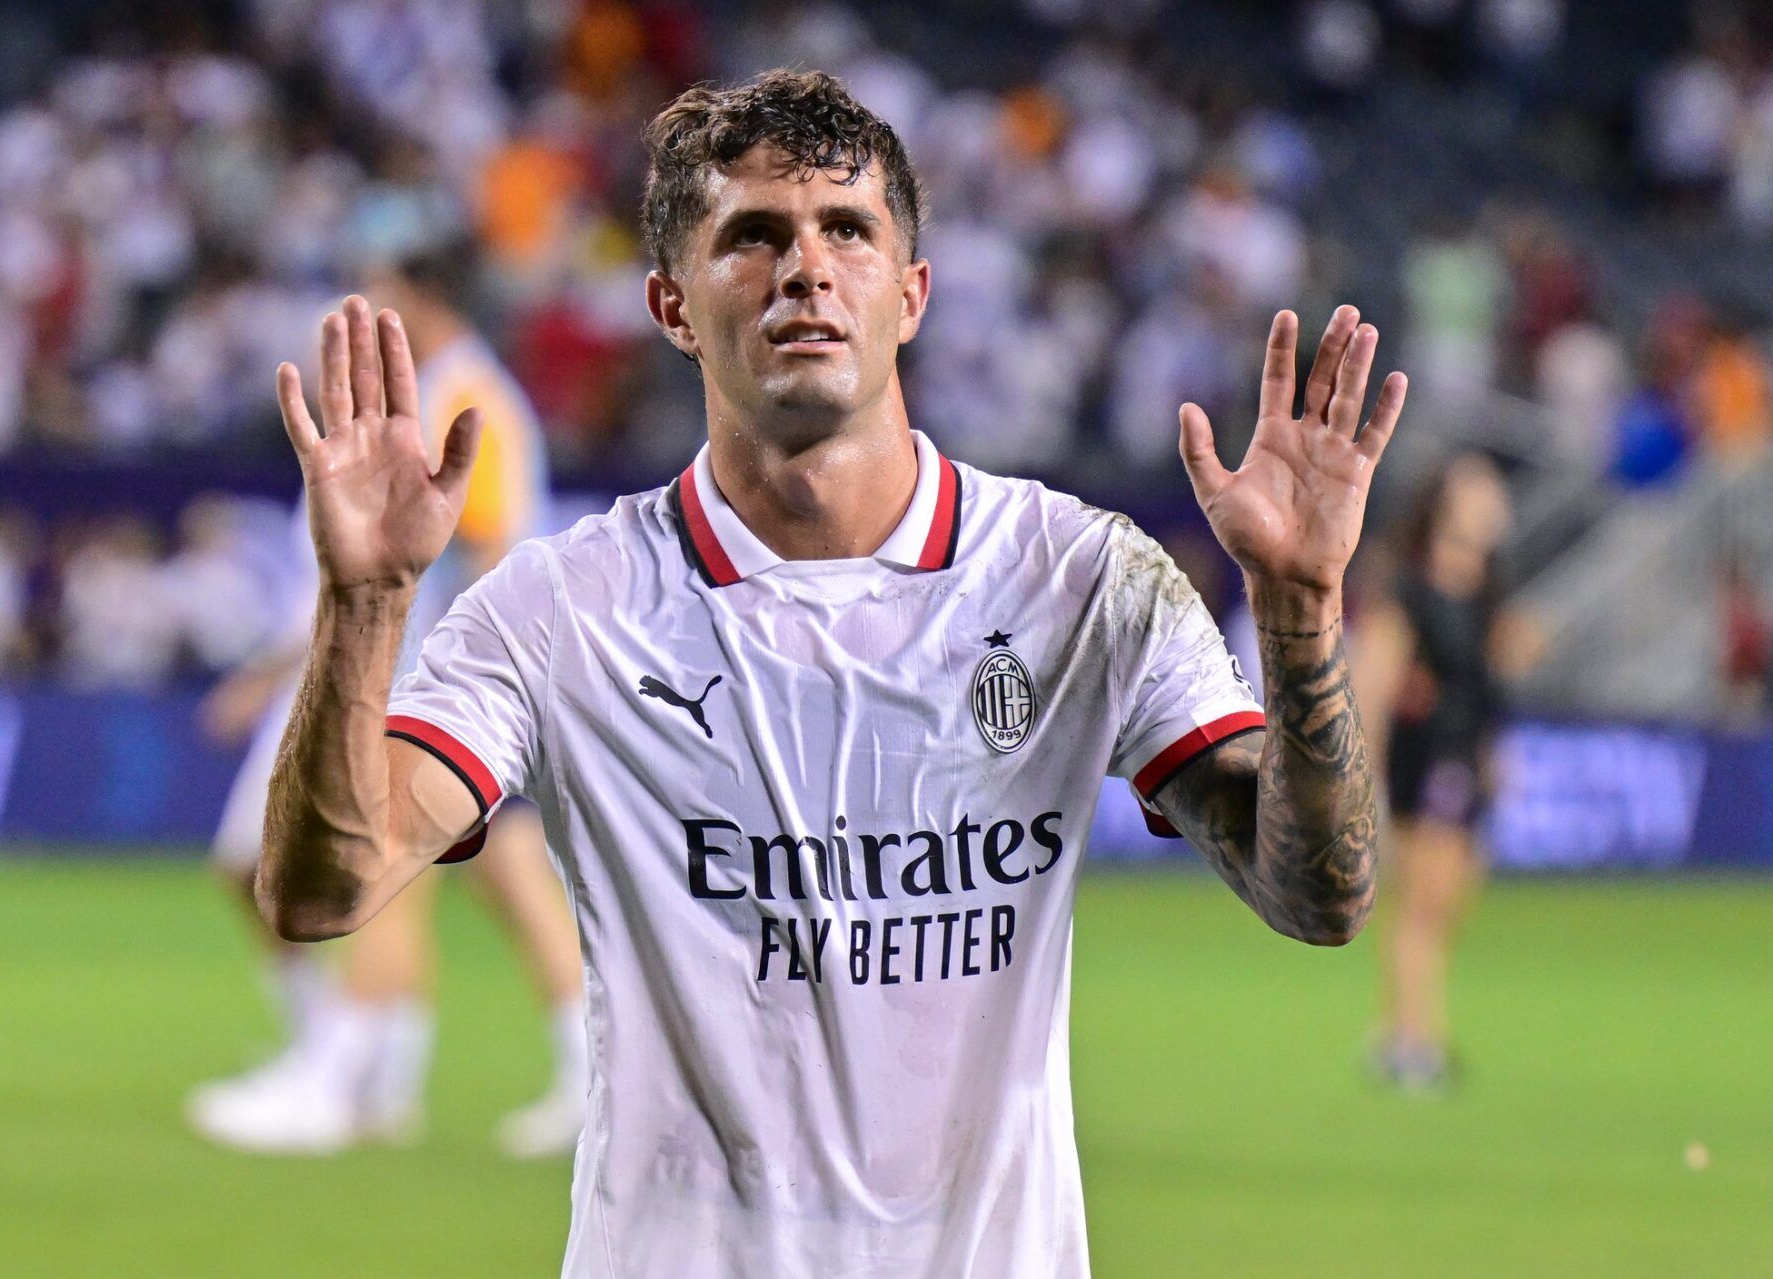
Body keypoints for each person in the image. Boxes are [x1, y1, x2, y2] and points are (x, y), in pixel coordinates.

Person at [257, 71, 1401, 1276]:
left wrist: (1300, 607)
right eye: (752, 236)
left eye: (846, 230)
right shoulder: (562, 610)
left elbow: (1318, 897)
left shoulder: (1080, 582)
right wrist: (367, 603)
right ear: (672, 306)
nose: (806, 266)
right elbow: (321, 892)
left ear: (910, 294)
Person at [186, 240, 586, 1157]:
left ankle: (339, 1078)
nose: (370, 305)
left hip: (420, 672)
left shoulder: (465, 397)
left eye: (390, 293)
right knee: (498, 880)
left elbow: (488, 542)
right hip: (402, 662)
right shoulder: (444, 386)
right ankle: (411, 1070)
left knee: (383, 875)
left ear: (432, 300)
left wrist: (459, 667)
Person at [1353, 451, 1522, 1092]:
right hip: (1425, 761)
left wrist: (1491, 755)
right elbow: (1374, 684)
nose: (1494, 505)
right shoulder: (1411, 590)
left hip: (1464, 761)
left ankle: (1404, 1027)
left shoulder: (1486, 588)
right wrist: (1367, 776)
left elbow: (1483, 689)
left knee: (1450, 900)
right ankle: (1413, 1037)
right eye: (1480, 493)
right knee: (1423, 899)